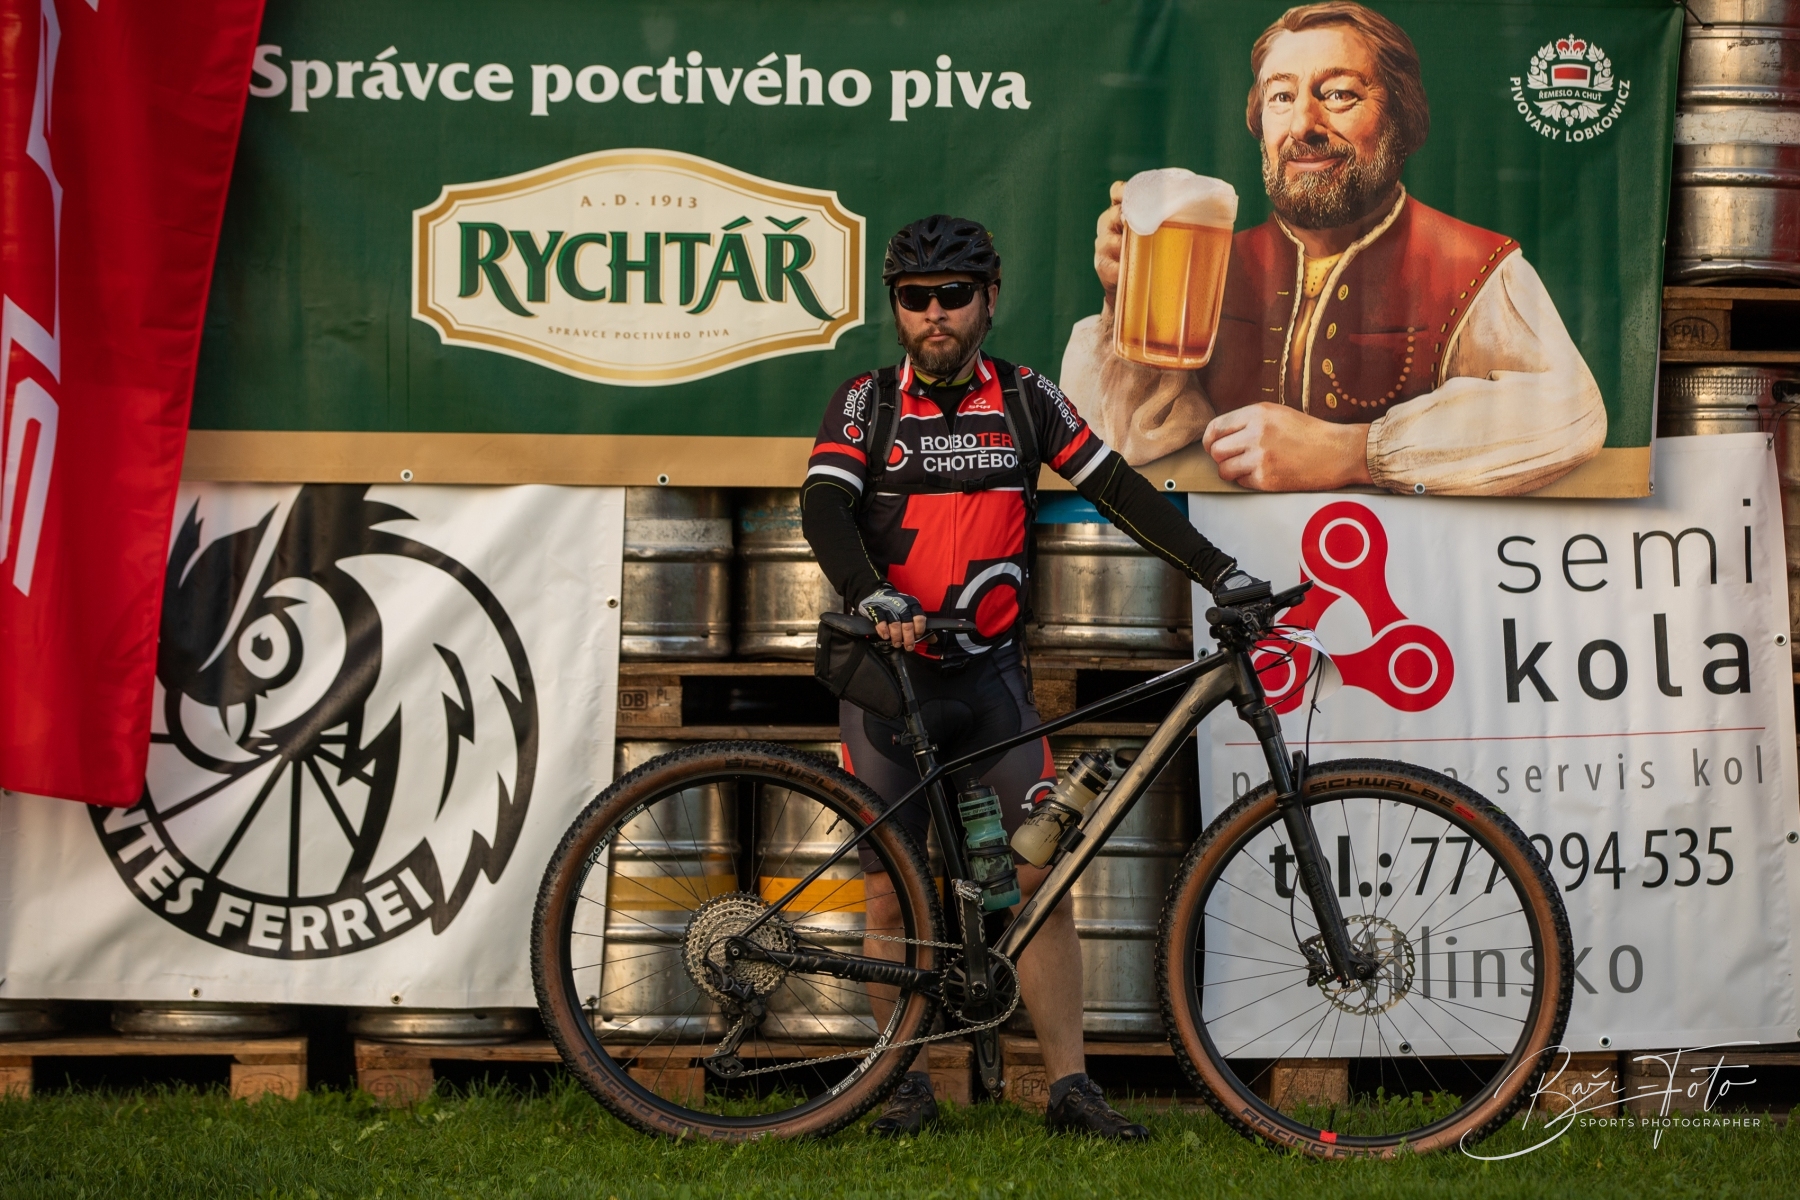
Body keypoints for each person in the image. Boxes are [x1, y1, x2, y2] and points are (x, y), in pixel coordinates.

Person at [802, 214, 1252, 1140]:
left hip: (991, 682)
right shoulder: (866, 402)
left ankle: (1070, 1091)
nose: (934, 313)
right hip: (889, 685)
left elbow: (1119, 491)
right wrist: (870, 591)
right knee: (891, 888)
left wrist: (1220, 572)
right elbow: (823, 507)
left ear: (989, 300)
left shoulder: (1025, 396)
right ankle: (905, 1088)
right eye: (915, 298)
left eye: (952, 295)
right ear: (897, 308)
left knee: (1041, 879)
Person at [1060, 0, 1606, 497]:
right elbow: (1122, 441)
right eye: (1281, 97)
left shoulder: (1472, 267)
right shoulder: (1213, 269)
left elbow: (1569, 410)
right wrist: (1124, 305)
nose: (1303, 125)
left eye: (1339, 94)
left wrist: (1354, 452)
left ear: (1399, 115)